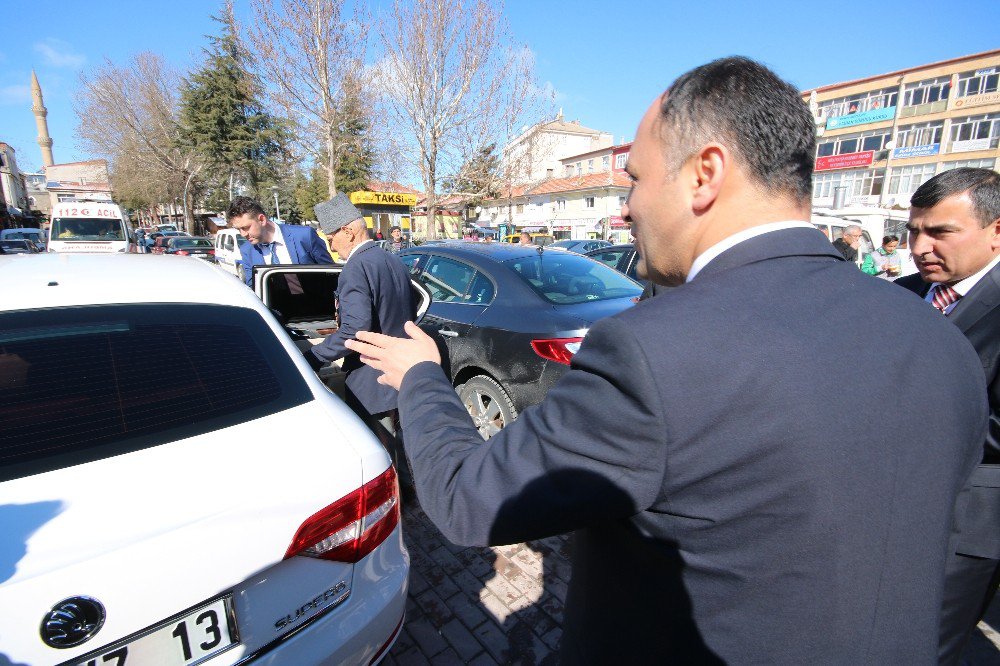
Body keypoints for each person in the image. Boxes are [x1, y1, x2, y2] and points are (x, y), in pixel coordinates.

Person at [344, 57, 986, 663]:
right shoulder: (938, 339)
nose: (625, 211)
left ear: (704, 174)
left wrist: (424, 376)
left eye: (635, 180)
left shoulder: (652, 349)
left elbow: (467, 498)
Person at [894, 168, 1000, 665]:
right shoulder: (899, 294)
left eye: (940, 232)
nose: (919, 247)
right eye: (914, 230)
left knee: (925, 648)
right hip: (882, 511)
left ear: (996, 231)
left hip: (966, 520)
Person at [304, 193, 415, 461]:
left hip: (371, 383)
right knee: (405, 454)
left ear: (348, 231)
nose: (330, 247)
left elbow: (355, 330)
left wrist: (312, 357)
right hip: (401, 375)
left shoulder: (355, 267)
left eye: (331, 238)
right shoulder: (392, 260)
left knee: (385, 461)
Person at [226, 196, 332, 286]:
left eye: (246, 227)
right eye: (238, 229)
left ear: (262, 220)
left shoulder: (304, 236)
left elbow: (332, 273)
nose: (243, 234)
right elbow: (253, 288)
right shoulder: (247, 250)